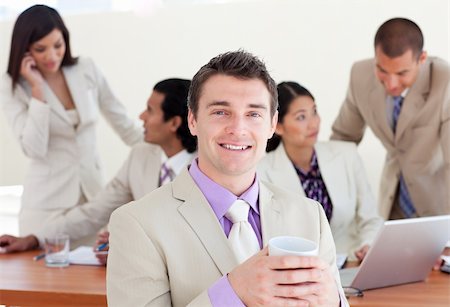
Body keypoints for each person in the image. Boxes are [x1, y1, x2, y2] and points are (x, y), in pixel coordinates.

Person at [107, 51, 348, 306]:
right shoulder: (136, 224)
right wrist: (233, 291)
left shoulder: (311, 216)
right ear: (192, 120)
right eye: (221, 112)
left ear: (271, 124)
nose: (238, 129)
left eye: (253, 114)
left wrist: (334, 301)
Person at [0, 78, 196, 261]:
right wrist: (35, 238)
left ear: (174, 123)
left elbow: (189, 238)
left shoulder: (207, 166)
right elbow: (94, 212)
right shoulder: (141, 155)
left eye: (150, 110)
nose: (141, 116)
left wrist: (127, 248)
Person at [0, 4, 143, 240]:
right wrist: (37, 91)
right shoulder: (12, 86)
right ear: (24, 48)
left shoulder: (85, 68)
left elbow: (123, 124)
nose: (52, 56)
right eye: (40, 49)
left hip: (93, 201)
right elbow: (33, 149)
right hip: (46, 206)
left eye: (58, 45)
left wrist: (172, 148)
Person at [331, 17, 450, 220]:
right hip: (391, 203)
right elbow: (343, 139)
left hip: (439, 206)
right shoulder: (360, 75)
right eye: (382, 70)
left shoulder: (444, 81)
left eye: (402, 72)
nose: (391, 84)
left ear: (422, 59)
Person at [258, 81, 383, 261]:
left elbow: (370, 218)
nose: (313, 124)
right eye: (301, 117)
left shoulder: (346, 154)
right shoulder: (261, 171)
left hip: (351, 264)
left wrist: (367, 245)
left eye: (314, 112)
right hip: (297, 270)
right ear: (278, 126)